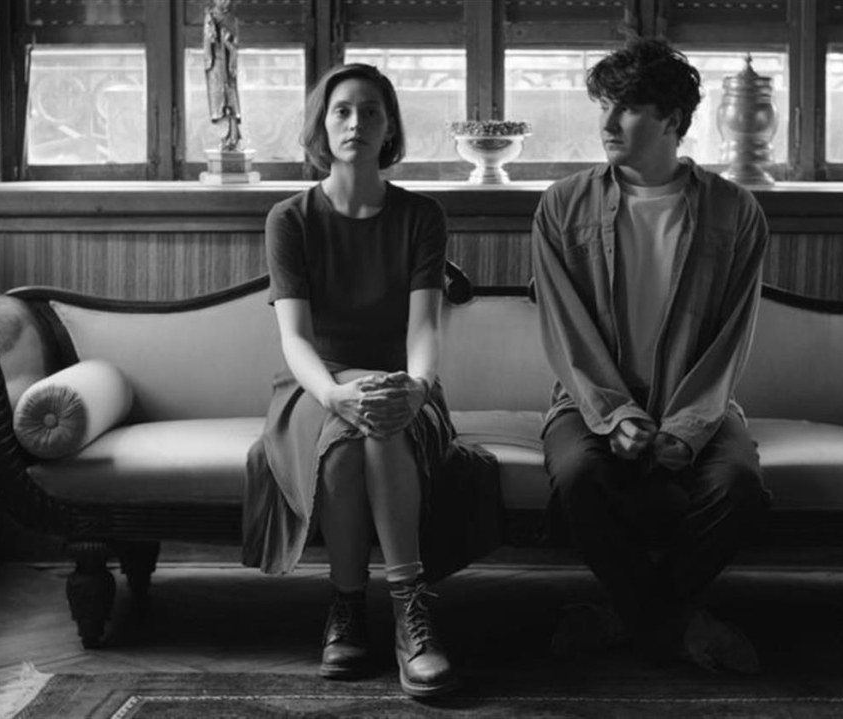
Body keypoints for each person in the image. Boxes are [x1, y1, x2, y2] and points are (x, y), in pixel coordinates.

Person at [532, 38, 772, 675]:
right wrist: (615, 414)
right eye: (604, 106)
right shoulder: (562, 205)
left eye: (629, 108)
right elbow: (564, 329)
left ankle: (624, 617)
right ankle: (678, 624)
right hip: (587, 403)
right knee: (580, 479)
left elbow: (732, 335)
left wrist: (688, 426)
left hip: (700, 403)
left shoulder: (735, 211)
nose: (608, 123)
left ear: (673, 119)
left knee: (738, 486)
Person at [243, 63, 477, 698]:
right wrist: (333, 394)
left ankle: (404, 612)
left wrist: (418, 387)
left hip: (405, 385)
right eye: (342, 110)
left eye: (371, 111)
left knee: (379, 422)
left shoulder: (421, 215)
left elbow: (424, 328)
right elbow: (296, 339)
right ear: (322, 125)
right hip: (314, 387)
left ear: (390, 126)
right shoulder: (290, 218)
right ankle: (350, 606)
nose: (356, 123)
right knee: (348, 438)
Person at [203, 0, 242, 150]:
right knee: (218, 98)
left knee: (231, 97)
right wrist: (212, 33)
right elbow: (208, 40)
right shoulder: (210, 16)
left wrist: (229, 45)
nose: (223, 1)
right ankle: (224, 137)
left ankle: (233, 136)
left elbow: (234, 42)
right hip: (215, 63)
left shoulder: (232, 18)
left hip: (228, 64)